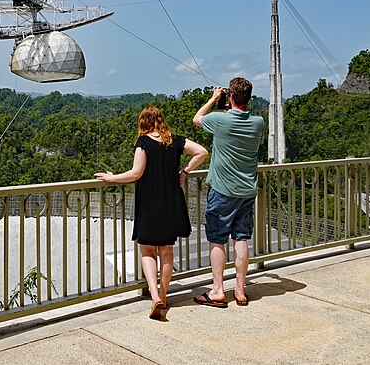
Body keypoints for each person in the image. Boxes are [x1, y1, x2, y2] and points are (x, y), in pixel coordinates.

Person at [96, 106, 208, 319]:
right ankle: (164, 297)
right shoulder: (174, 140)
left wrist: (111, 178)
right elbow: (202, 152)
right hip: (171, 201)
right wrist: (184, 172)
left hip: (149, 202)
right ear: (161, 121)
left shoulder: (143, 143)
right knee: (166, 251)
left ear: (143, 123)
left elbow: (136, 172)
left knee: (148, 250)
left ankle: (155, 295)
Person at [191, 78, 264, 308]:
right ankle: (240, 291)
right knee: (241, 238)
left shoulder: (219, 120)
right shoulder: (258, 123)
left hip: (222, 190)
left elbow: (197, 119)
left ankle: (218, 290)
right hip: (246, 190)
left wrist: (213, 99)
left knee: (217, 240)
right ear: (249, 98)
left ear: (230, 96)